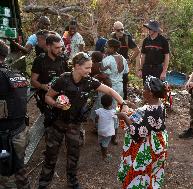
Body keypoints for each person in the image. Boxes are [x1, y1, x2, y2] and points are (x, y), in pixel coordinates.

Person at [37, 52, 128, 189]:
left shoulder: (90, 82)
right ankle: (44, 182)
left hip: (75, 125)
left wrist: (123, 103)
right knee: (51, 154)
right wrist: (56, 104)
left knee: (73, 155)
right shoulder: (63, 79)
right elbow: (48, 97)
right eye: (87, 68)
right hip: (57, 123)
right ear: (77, 66)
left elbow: (110, 91)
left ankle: (72, 182)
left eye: (90, 68)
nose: (90, 71)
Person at [116, 76, 168, 189]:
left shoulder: (151, 110)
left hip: (149, 145)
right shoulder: (159, 104)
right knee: (151, 171)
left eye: (144, 89)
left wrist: (124, 117)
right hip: (158, 142)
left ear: (151, 93)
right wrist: (133, 106)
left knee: (142, 170)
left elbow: (138, 133)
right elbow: (144, 114)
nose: (142, 91)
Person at [0, 40, 31, 189]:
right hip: (20, 132)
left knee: (6, 177)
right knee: (20, 170)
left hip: (6, 137)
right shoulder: (15, 74)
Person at [31, 34, 69, 127]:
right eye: (56, 48)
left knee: (67, 114)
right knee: (50, 120)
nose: (60, 50)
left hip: (61, 93)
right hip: (46, 95)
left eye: (61, 47)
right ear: (48, 47)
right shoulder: (40, 60)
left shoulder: (63, 58)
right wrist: (42, 86)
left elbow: (68, 76)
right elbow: (33, 81)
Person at [102, 39, 129, 145]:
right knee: (116, 110)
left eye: (107, 46)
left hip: (109, 88)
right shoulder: (123, 59)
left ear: (112, 48)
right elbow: (125, 73)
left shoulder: (107, 60)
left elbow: (104, 75)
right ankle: (114, 137)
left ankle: (106, 135)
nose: (105, 48)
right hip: (119, 87)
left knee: (107, 110)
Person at [111, 21, 140, 100]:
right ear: (114, 30)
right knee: (113, 84)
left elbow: (137, 50)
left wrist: (130, 60)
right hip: (114, 65)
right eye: (118, 30)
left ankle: (124, 104)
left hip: (124, 65)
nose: (121, 32)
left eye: (122, 29)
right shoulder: (112, 37)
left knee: (124, 85)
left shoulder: (127, 38)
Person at [93, 94, 116, 160]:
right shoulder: (113, 112)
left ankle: (102, 150)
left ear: (101, 102)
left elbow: (96, 119)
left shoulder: (99, 111)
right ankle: (105, 155)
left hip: (100, 130)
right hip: (108, 132)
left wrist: (96, 124)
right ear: (111, 103)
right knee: (105, 143)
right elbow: (116, 118)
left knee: (101, 141)